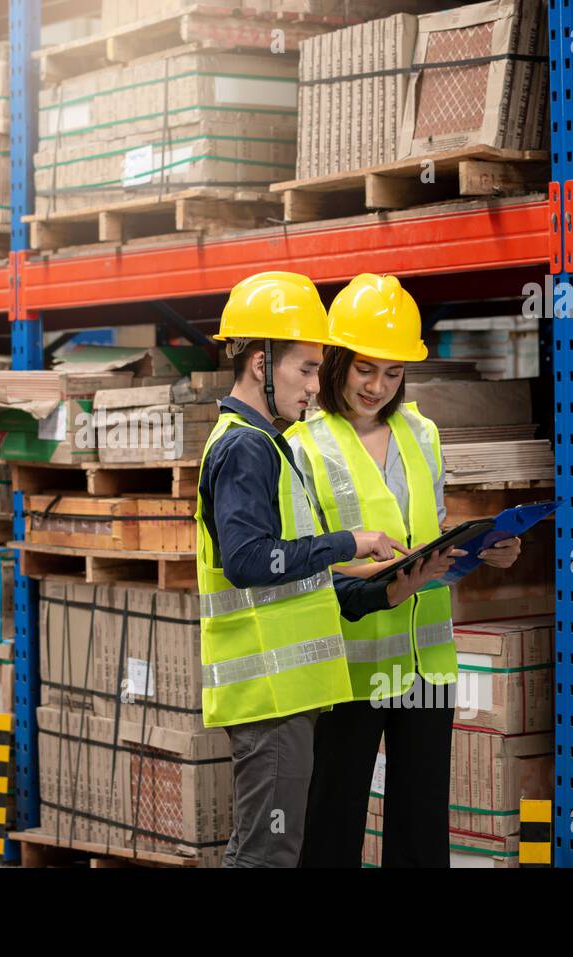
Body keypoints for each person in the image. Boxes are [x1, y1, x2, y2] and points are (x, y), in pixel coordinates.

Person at [196, 271, 454, 868]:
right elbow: (249, 561)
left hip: (340, 671)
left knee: (271, 849)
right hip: (286, 684)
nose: (315, 383)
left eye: (394, 372)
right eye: (310, 368)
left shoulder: (273, 442)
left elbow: (301, 577)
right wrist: (347, 543)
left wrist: (391, 589)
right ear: (263, 362)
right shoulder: (258, 446)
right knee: (279, 849)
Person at [287, 273, 522, 868]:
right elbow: (303, 564)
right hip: (349, 665)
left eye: (393, 373)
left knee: (421, 830)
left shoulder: (421, 433)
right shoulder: (303, 445)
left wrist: (483, 554)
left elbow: (433, 534)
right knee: (333, 821)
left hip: (427, 664)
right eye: (366, 368)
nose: (378, 386)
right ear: (336, 359)